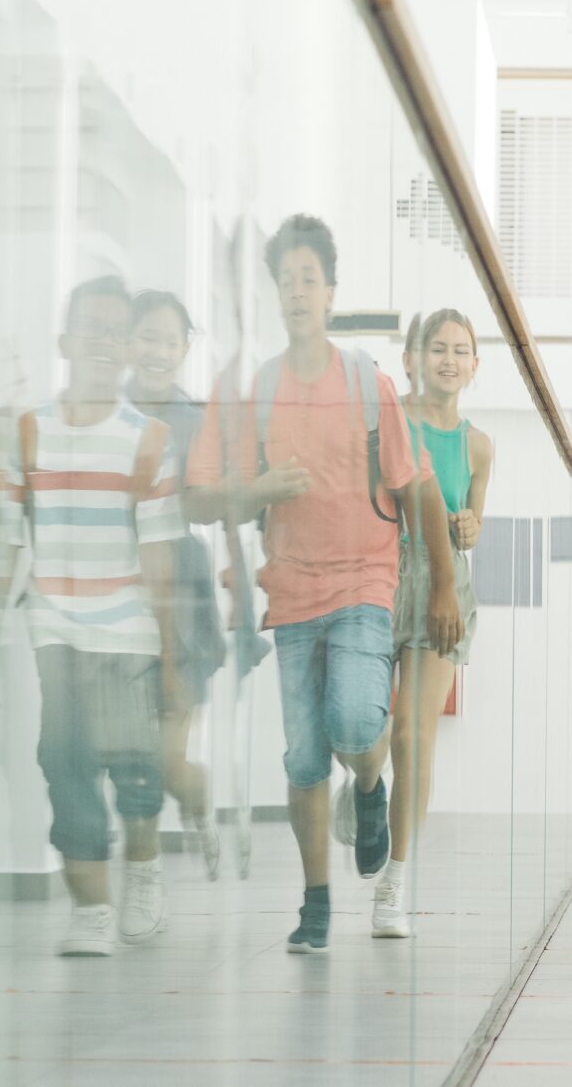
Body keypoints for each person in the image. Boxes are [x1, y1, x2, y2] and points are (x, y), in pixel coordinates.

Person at [186, 213, 461, 954]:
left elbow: (418, 488)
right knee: (305, 759)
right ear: (276, 295)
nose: (299, 291)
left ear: (331, 293)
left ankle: (369, 788)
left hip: (368, 580)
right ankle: (315, 901)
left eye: (311, 278)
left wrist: (440, 588)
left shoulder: (367, 385)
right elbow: (200, 497)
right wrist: (261, 487)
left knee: (354, 724)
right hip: (291, 591)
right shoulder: (248, 390)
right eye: (287, 280)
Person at [10, 277, 185, 957]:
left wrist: (169, 656)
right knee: (63, 755)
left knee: (134, 765)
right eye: (92, 328)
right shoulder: (31, 430)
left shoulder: (149, 438)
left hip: (127, 627)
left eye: (118, 330)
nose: (106, 342)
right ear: (64, 342)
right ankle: (91, 909)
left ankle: (141, 871)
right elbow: (16, 523)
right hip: (54, 624)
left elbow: (161, 552)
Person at [371, 309, 493, 939]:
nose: (448, 359)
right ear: (410, 360)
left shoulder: (478, 444)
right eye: (436, 348)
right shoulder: (390, 423)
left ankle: (394, 879)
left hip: (444, 587)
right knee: (368, 733)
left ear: (475, 365)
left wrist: (471, 524)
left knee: (413, 735)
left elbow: (470, 520)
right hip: (379, 574)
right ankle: (364, 788)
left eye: (460, 350)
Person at [126, 290, 228, 879]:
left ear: (185, 348)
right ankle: (144, 881)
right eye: (148, 337)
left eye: (170, 341)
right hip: (113, 585)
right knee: (130, 756)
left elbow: (212, 500)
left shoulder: (197, 420)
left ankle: (196, 796)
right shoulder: (101, 412)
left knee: (165, 758)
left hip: (180, 593)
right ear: (127, 341)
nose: (158, 351)